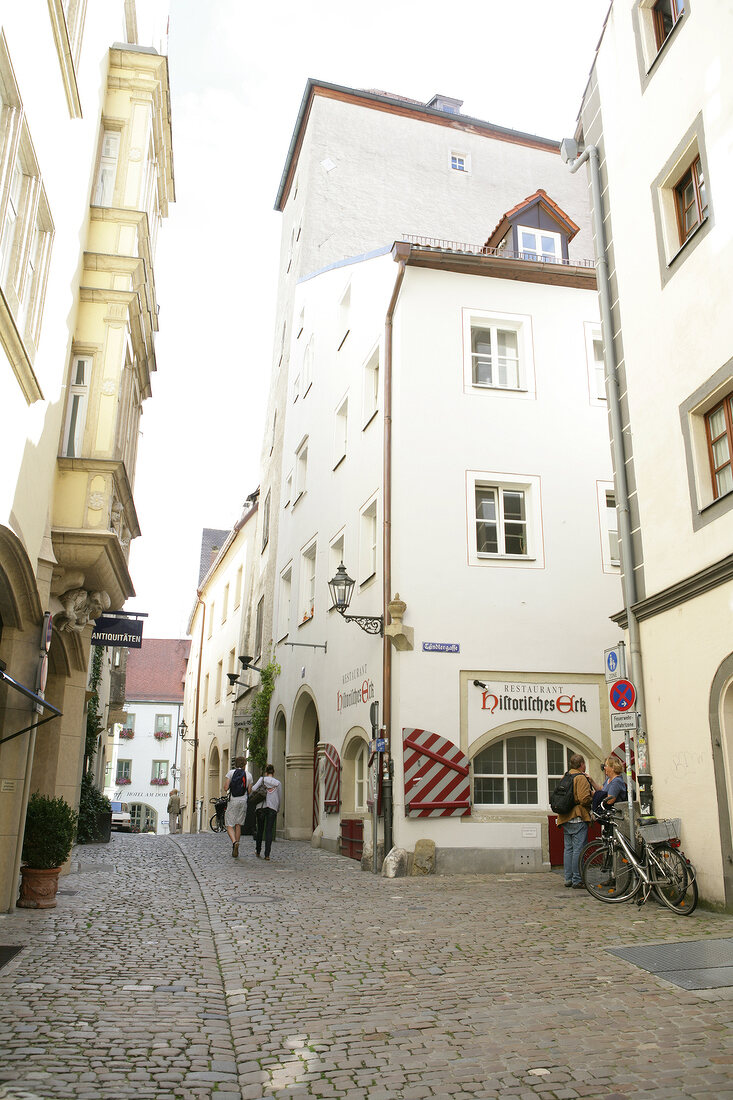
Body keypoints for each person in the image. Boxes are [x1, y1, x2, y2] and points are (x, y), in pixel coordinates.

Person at [556, 753, 593, 889]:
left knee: (568, 849)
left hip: (565, 817)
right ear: (582, 764)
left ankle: (568, 878)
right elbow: (584, 799)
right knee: (579, 849)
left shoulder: (565, 776)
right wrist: (592, 798)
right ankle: (577, 879)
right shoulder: (580, 778)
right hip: (577, 817)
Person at [251, 764, 282, 861]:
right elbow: (280, 797)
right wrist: (278, 808)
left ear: (266, 772)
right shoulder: (277, 783)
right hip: (272, 807)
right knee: (269, 830)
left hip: (261, 807)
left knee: (260, 829)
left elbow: (253, 789)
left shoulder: (262, 780)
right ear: (273, 772)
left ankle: (258, 850)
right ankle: (267, 854)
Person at [223, 755, 252, 858]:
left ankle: (234, 842)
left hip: (233, 800)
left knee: (229, 824)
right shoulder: (248, 775)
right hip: (243, 801)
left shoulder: (231, 773)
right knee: (238, 824)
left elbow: (225, 788)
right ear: (244, 764)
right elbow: (249, 791)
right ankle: (237, 846)